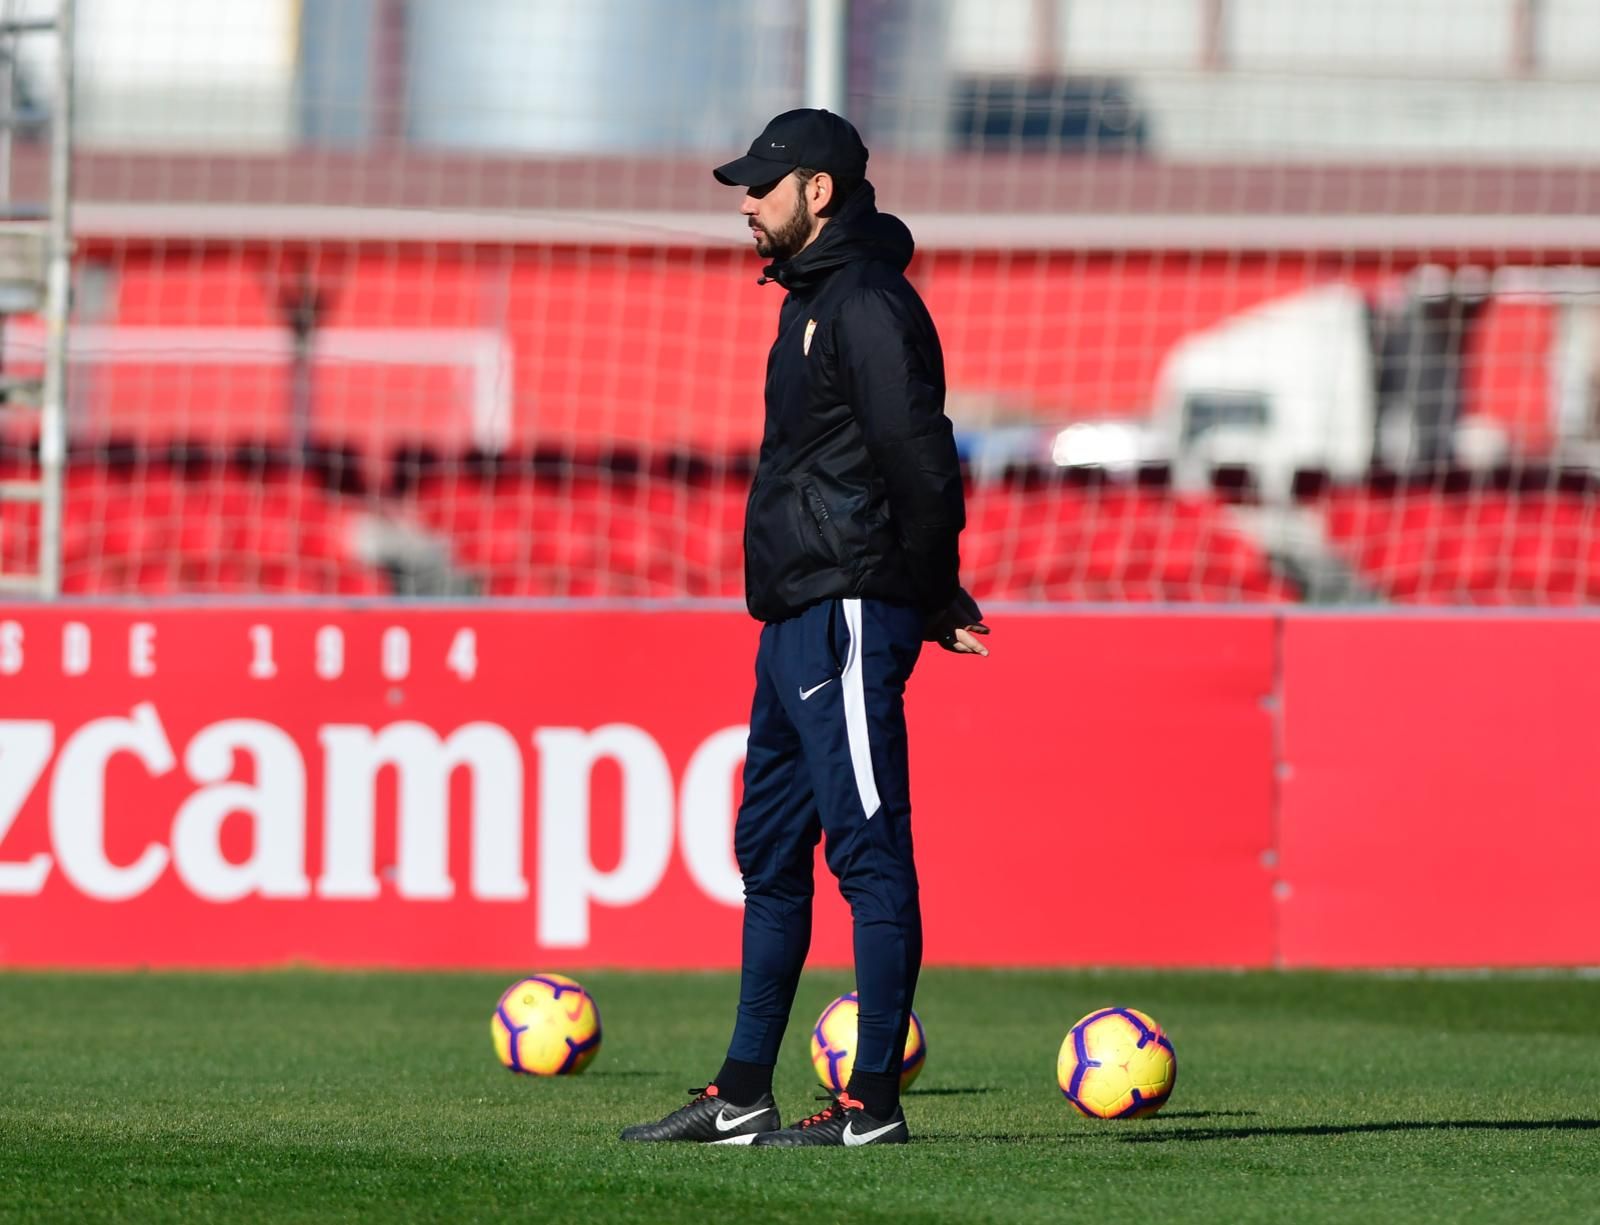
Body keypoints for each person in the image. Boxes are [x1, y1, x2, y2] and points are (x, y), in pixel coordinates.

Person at [621, 108, 989, 1149]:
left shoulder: (869, 302)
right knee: (768, 850)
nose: (745, 200)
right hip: (791, 614)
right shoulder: (810, 301)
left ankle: (872, 1104)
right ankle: (741, 1091)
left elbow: (919, 455)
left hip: (848, 605)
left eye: (761, 185)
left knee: (868, 848)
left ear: (816, 192)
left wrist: (931, 591)